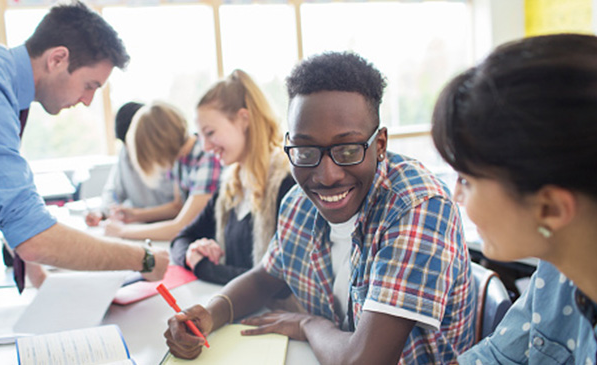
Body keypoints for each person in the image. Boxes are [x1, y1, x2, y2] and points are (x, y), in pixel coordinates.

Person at [164, 52, 475, 364]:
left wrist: (308, 324)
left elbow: (363, 361)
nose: (327, 176)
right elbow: (264, 277)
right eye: (305, 150)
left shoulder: (416, 207)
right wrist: (209, 312)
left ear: (379, 144)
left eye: (349, 149)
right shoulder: (299, 203)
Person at [0, 1, 169, 290]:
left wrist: (37, 273)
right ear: (57, 59)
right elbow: (34, 238)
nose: (88, 100)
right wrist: (144, 259)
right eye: (90, 85)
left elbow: (3, 195)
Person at [431, 33, 597, 365]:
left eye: (466, 179)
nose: (457, 195)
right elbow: (499, 356)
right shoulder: (559, 269)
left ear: (549, 208)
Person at [169, 69, 295, 285]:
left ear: (243, 119)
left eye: (210, 133)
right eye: (201, 136)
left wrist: (204, 267)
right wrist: (194, 251)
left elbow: (275, 281)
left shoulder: (287, 184)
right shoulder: (230, 185)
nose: (206, 147)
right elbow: (180, 240)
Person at [103, 101, 222, 241]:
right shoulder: (180, 159)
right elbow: (178, 206)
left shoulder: (206, 158)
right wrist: (136, 214)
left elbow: (180, 227)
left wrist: (124, 231)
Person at [85, 101, 179, 227]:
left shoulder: (170, 157)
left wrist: (138, 214)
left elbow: (179, 207)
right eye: (126, 144)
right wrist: (103, 213)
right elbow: (113, 192)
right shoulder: (125, 154)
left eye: (133, 144)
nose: (130, 150)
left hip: (167, 226)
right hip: (140, 226)